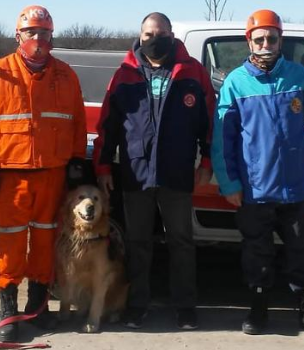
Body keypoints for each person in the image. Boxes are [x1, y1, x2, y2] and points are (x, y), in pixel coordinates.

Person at [211, 9, 304, 338]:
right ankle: (258, 306)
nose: (266, 44)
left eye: (272, 38)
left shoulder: (298, 77)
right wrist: (230, 183)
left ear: (281, 40)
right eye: (260, 38)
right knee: (257, 251)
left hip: (295, 185)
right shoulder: (236, 83)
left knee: (303, 250)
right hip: (254, 188)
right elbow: (222, 139)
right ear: (248, 42)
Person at [0, 5, 87, 342]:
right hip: (12, 175)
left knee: (46, 239)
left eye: (44, 33)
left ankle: (38, 305)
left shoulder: (66, 75)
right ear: (18, 35)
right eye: (31, 32)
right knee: (12, 240)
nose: (38, 38)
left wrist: (77, 158)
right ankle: (8, 310)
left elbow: (77, 120)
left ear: (52, 37)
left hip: (53, 173)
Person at [93, 12, 214, 330]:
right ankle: (137, 305)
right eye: (148, 34)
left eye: (160, 34)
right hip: (136, 172)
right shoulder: (124, 74)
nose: (154, 39)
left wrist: (207, 163)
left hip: (177, 173)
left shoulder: (194, 73)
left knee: (182, 243)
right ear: (140, 35)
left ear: (172, 35)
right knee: (138, 243)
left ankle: (185, 306)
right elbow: (107, 126)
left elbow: (210, 123)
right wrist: (104, 167)